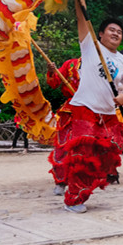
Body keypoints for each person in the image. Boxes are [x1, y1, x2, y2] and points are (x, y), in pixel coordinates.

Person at [59, 0, 123, 213]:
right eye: (112, 30)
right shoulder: (90, 46)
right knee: (83, 156)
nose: (116, 34)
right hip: (85, 107)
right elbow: (81, 15)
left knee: (107, 157)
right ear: (101, 34)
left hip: (108, 114)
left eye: (120, 32)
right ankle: (73, 199)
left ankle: (83, 190)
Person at [46, 57, 81, 195]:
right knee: (63, 145)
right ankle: (60, 181)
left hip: (92, 109)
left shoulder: (102, 63)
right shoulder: (70, 64)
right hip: (71, 109)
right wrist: (51, 72)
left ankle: (81, 185)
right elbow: (54, 83)